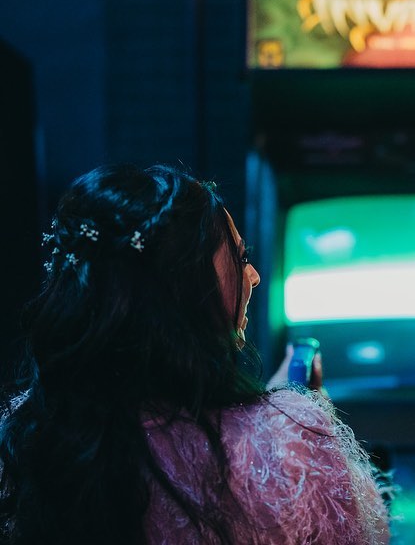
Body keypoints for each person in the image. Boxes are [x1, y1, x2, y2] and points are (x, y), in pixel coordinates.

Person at [0, 164, 390, 544]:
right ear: (183, 287)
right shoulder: (289, 442)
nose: (253, 275)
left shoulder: (25, 435)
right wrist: (300, 414)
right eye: (238, 258)